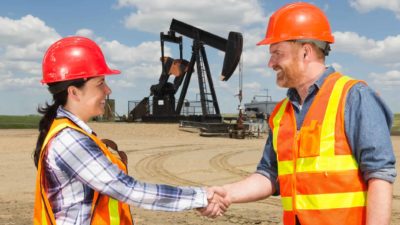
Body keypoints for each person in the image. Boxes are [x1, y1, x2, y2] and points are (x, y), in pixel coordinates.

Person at [200, 2, 397, 225]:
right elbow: (269, 175)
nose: (270, 63)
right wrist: (228, 193)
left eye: (277, 53)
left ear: (305, 51)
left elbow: (379, 175)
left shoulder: (354, 97)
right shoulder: (281, 113)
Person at [32, 36, 227, 225]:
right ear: (73, 92)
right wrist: (200, 197)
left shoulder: (74, 132)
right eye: (100, 83)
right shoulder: (70, 141)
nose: (108, 90)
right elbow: (127, 189)